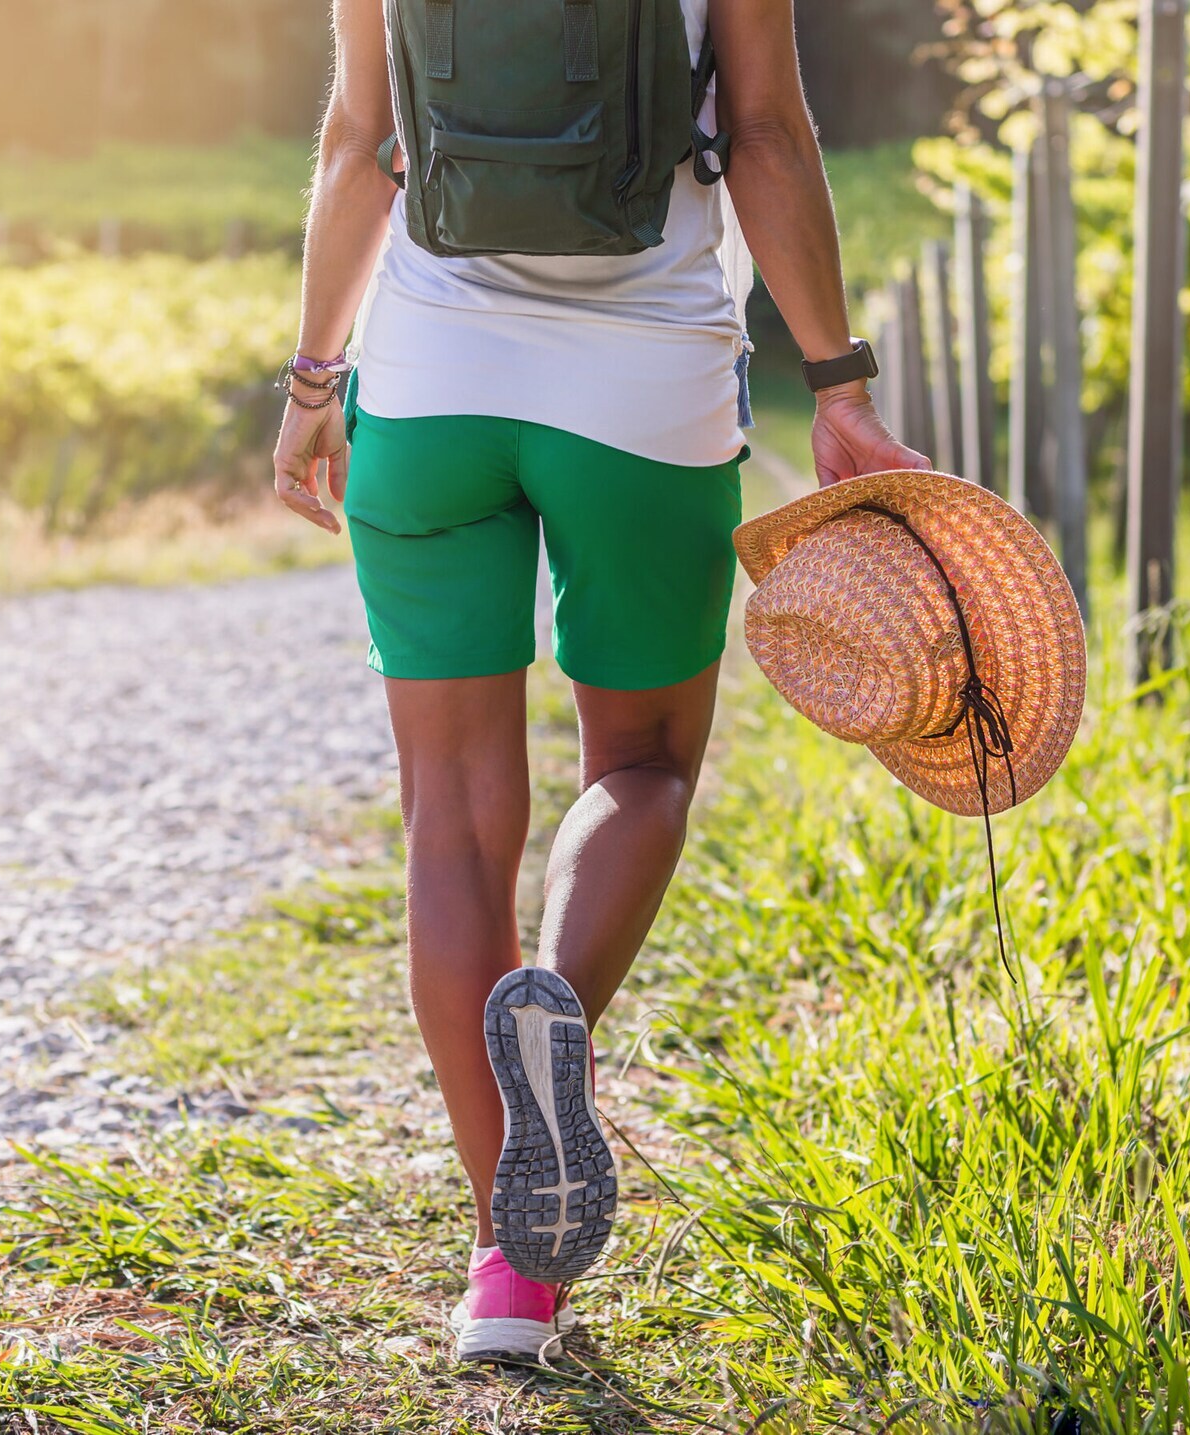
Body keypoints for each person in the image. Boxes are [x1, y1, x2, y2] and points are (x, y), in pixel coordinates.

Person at [272, 0, 929, 1363]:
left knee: (450, 817)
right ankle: (555, 1002)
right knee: (644, 766)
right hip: (648, 393)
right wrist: (840, 385)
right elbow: (764, 131)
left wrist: (313, 381)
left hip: (431, 386)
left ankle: (510, 1277)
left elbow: (356, 143)